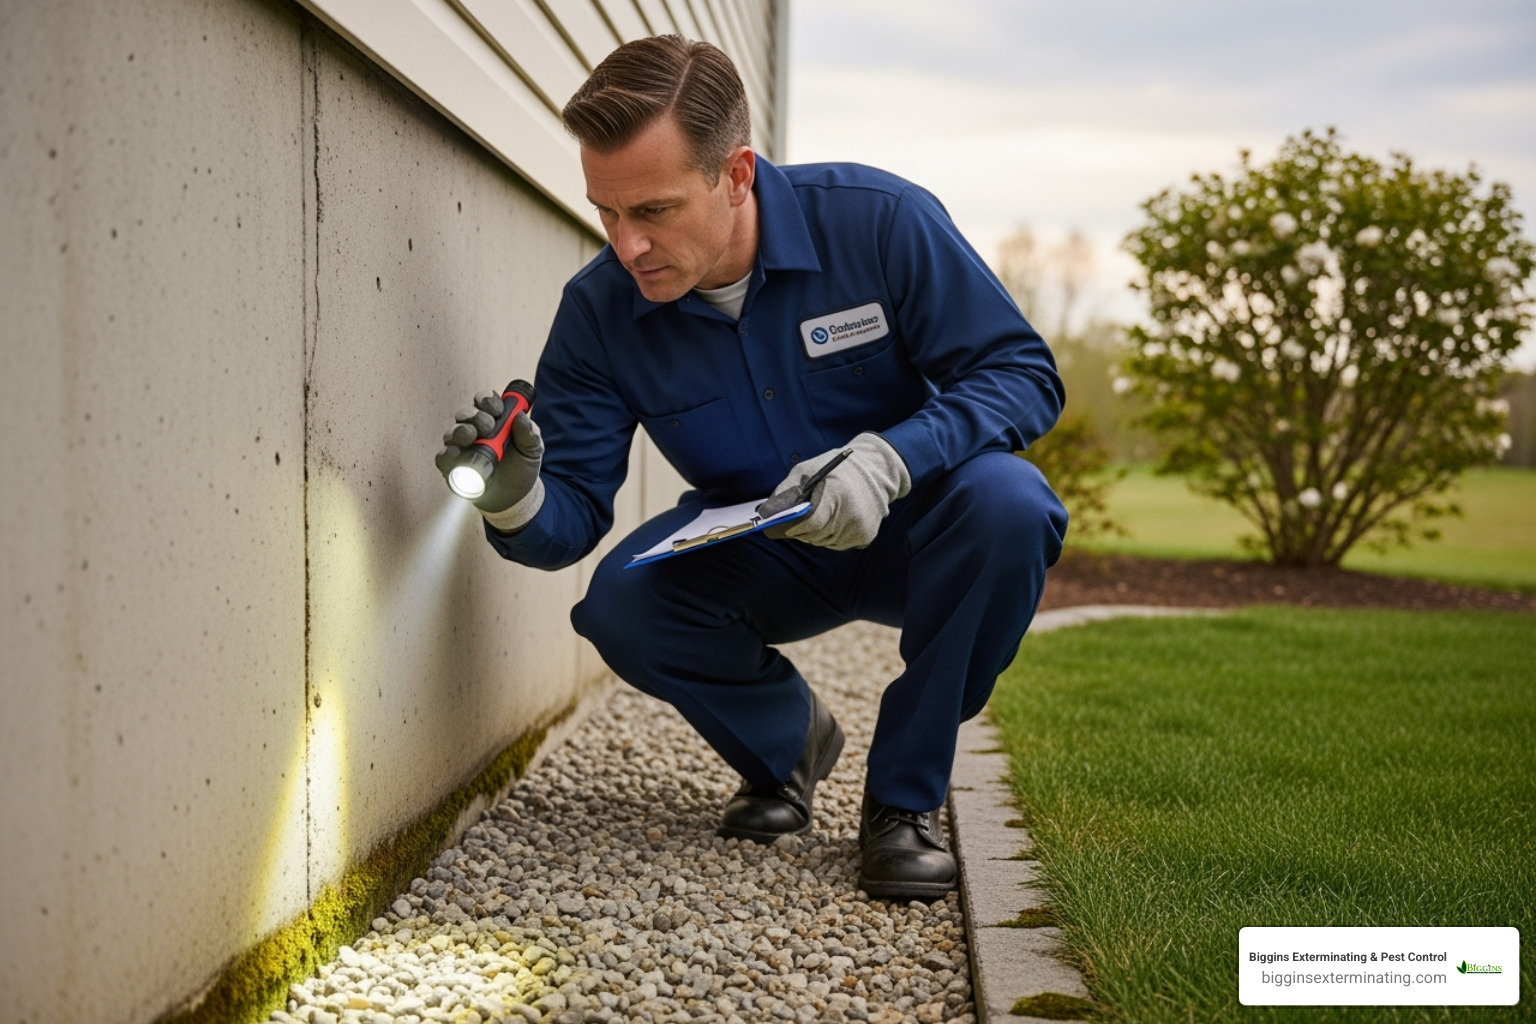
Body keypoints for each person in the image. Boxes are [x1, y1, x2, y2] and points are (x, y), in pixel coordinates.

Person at [436, 35, 1067, 900]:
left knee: (1012, 503)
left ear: (736, 175)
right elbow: (570, 516)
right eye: (606, 213)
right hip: (764, 551)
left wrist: (892, 458)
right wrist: (516, 502)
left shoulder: (881, 222)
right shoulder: (598, 312)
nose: (627, 245)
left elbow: (1021, 373)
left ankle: (903, 799)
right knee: (622, 604)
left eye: (654, 210)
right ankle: (788, 745)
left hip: (919, 530)